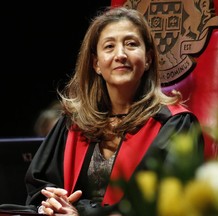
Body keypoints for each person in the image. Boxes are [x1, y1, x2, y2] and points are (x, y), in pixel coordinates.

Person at [1, 6, 204, 216]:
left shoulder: (174, 124)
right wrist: (52, 205)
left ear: (149, 59)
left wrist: (80, 212)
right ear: (96, 63)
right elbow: (40, 189)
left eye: (131, 44)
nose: (121, 55)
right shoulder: (73, 123)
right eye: (109, 46)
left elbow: (161, 204)